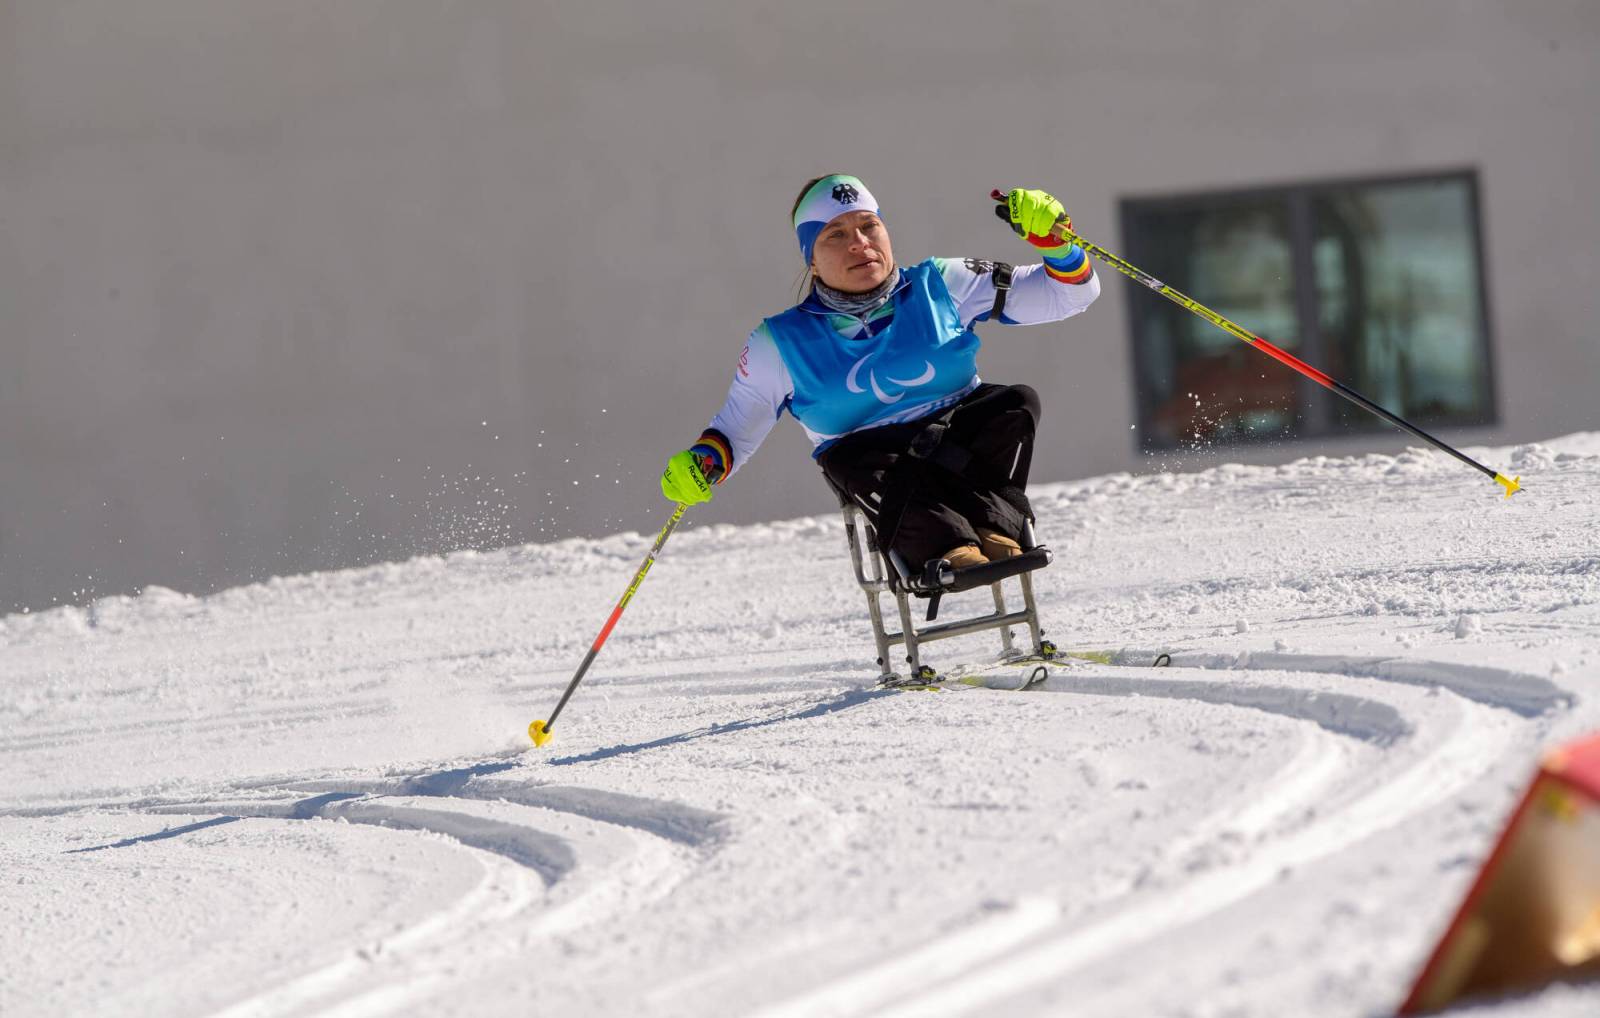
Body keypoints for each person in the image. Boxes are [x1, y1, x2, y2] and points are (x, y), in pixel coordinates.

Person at [660, 175, 1100, 573]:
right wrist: (702, 465)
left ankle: (995, 529)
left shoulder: (941, 283)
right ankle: (949, 548)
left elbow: (1066, 298)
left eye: (869, 226)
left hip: (956, 438)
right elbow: (736, 429)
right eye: (835, 234)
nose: (859, 243)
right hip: (875, 463)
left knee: (1015, 402)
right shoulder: (777, 343)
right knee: (848, 459)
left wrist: (1058, 245)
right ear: (811, 259)